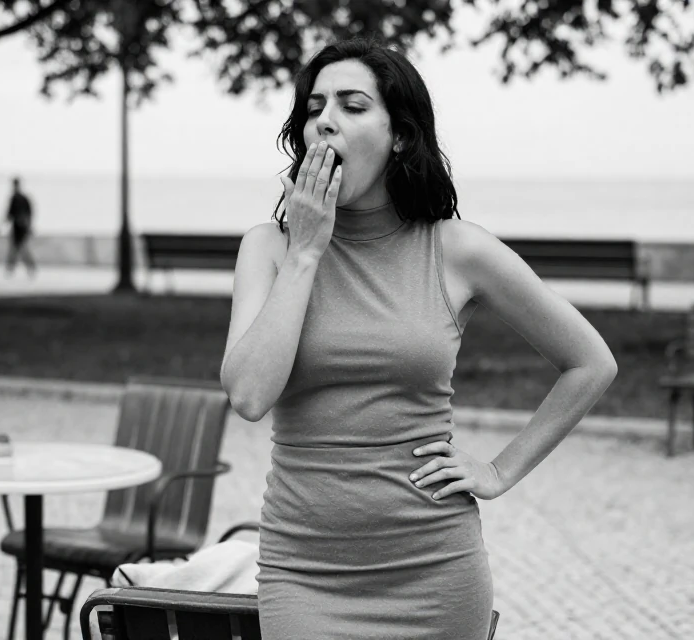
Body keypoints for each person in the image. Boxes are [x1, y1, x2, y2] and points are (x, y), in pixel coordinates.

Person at [219, 38, 618, 638]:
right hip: (304, 572)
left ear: (399, 136)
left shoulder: (458, 249)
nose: (325, 119)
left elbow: (590, 362)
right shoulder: (269, 249)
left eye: (353, 106)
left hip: (434, 571)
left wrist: (499, 471)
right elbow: (249, 396)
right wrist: (306, 253)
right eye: (314, 107)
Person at [0, 177, 36, 277]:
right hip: (18, 228)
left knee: (20, 249)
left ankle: (26, 268)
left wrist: (29, 226)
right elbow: (9, 214)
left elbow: (28, 214)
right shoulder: (18, 198)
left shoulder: (20, 198)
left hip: (21, 228)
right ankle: (13, 269)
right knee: (17, 249)